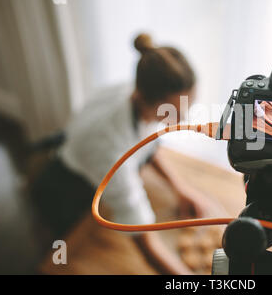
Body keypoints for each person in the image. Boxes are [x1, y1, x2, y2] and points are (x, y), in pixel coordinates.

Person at [31, 33, 209, 274]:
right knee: (64, 251)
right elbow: (142, 236)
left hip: (83, 151)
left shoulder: (137, 93)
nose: (183, 119)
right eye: (173, 112)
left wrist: (180, 189)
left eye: (188, 106)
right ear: (147, 99)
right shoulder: (110, 152)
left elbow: (146, 145)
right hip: (69, 191)